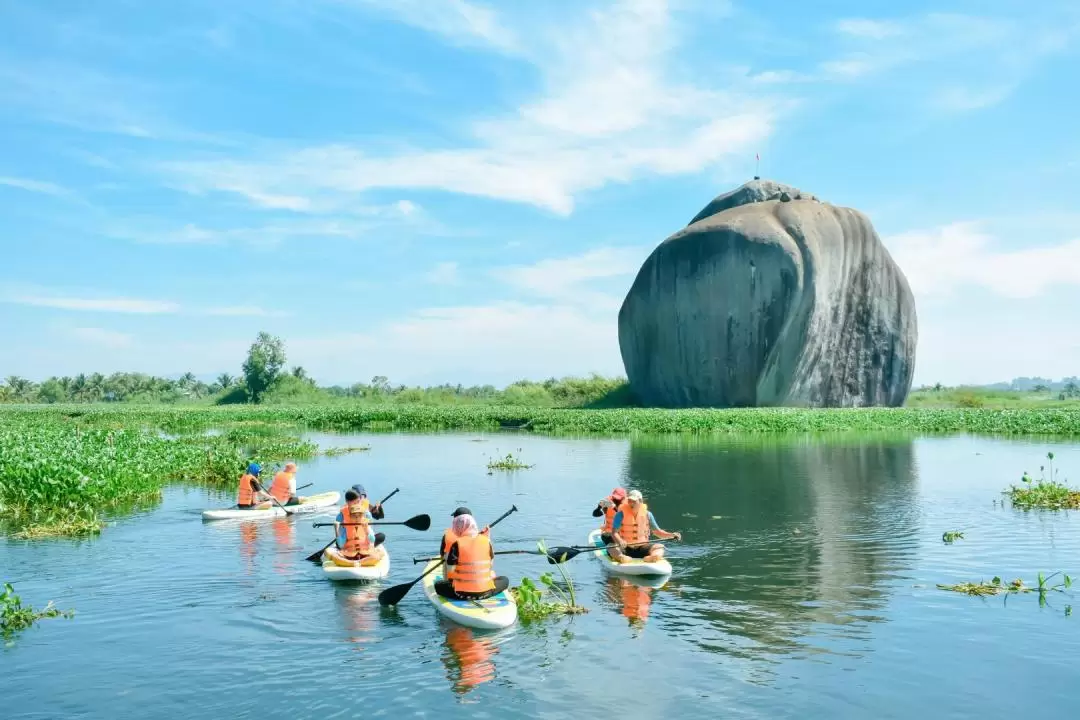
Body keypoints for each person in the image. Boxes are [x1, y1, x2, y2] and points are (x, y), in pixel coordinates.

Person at [435, 513, 509, 601]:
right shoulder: (486, 541)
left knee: (438, 585)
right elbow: (490, 565)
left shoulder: (457, 544)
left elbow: (450, 570)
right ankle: (483, 592)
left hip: (460, 593)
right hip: (486, 592)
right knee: (505, 580)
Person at [609, 489, 682, 564]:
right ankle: (622, 557)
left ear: (640, 501)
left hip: (642, 548)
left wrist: (671, 535)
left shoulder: (648, 514)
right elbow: (614, 533)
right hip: (625, 548)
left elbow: (657, 532)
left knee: (660, 547)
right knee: (611, 547)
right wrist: (620, 541)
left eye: (634, 501)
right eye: (629, 501)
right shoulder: (620, 514)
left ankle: (653, 557)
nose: (631, 503)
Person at [324, 489, 386, 566]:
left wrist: (366, 528)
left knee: (380, 553)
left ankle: (357, 562)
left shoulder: (365, 516)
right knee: (327, 551)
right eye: (354, 516)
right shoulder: (342, 518)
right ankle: (352, 563)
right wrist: (336, 529)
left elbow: (371, 540)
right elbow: (341, 544)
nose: (357, 518)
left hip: (365, 550)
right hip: (349, 551)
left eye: (359, 515)